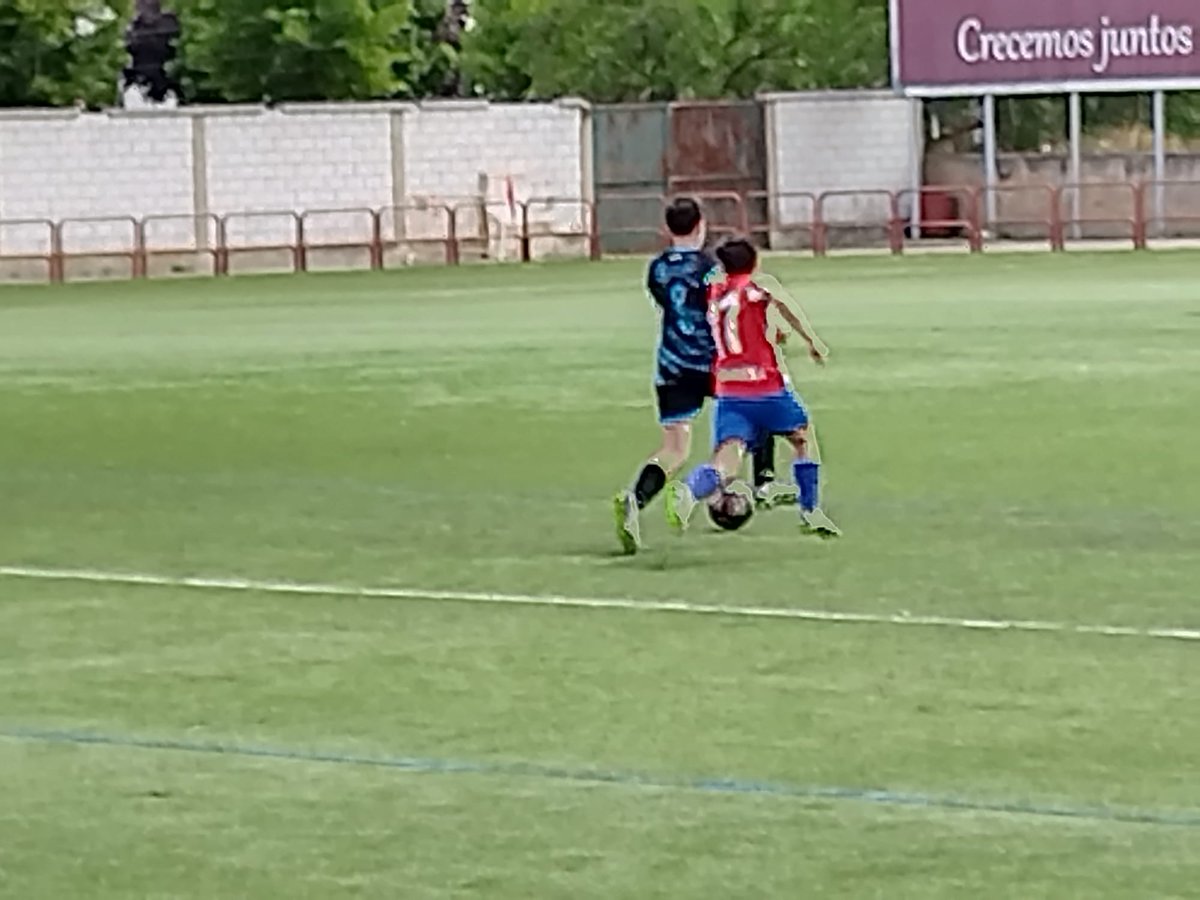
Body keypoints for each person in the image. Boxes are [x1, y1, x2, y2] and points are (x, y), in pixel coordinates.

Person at [613, 199, 786, 554]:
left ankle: (635, 499)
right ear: (701, 225)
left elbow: (667, 303)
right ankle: (747, 484)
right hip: (715, 363)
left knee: (674, 448)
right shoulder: (711, 270)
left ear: (667, 228)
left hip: (672, 363)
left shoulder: (657, 269)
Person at [665, 237, 841, 538]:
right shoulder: (760, 285)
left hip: (728, 390)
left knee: (726, 461)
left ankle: (688, 493)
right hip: (764, 385)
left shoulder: (716, 292)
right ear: (754, 261)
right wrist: (812, 341)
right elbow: (784, 305)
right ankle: (811, 511)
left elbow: (743, 326)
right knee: (802, 438)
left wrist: (772, 332)